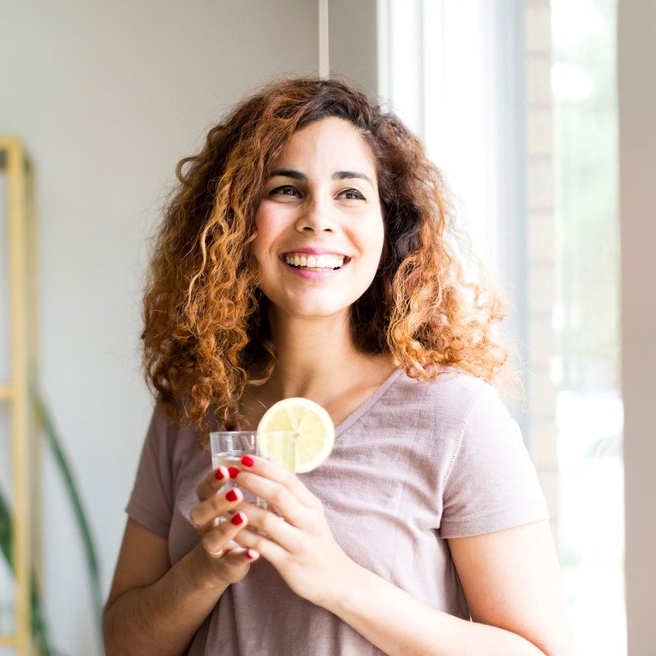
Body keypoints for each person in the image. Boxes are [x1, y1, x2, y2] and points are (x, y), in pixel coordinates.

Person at [103, 77, 573, 655]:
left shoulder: (454, 415)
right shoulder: (193, 403)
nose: (317, 219)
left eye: (350, 193)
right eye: (285, 190)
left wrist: (336, 579)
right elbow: (124, 642)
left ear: (388, 224)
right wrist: (206, 570)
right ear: (233, 224)